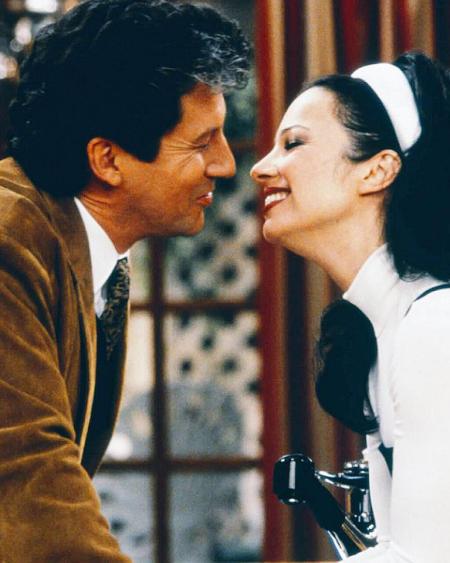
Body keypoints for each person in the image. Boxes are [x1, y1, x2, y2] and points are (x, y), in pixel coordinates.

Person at [0, 0, 249, 560]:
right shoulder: (9, 243)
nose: (226, 164)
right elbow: (28, 480)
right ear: (108, 160)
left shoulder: (74, 240)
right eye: (201, 142)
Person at [251, 51, 450, 561]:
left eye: (293, 143)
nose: (261, 168)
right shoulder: (389, 328)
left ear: (377, 170)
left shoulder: (434, 325)